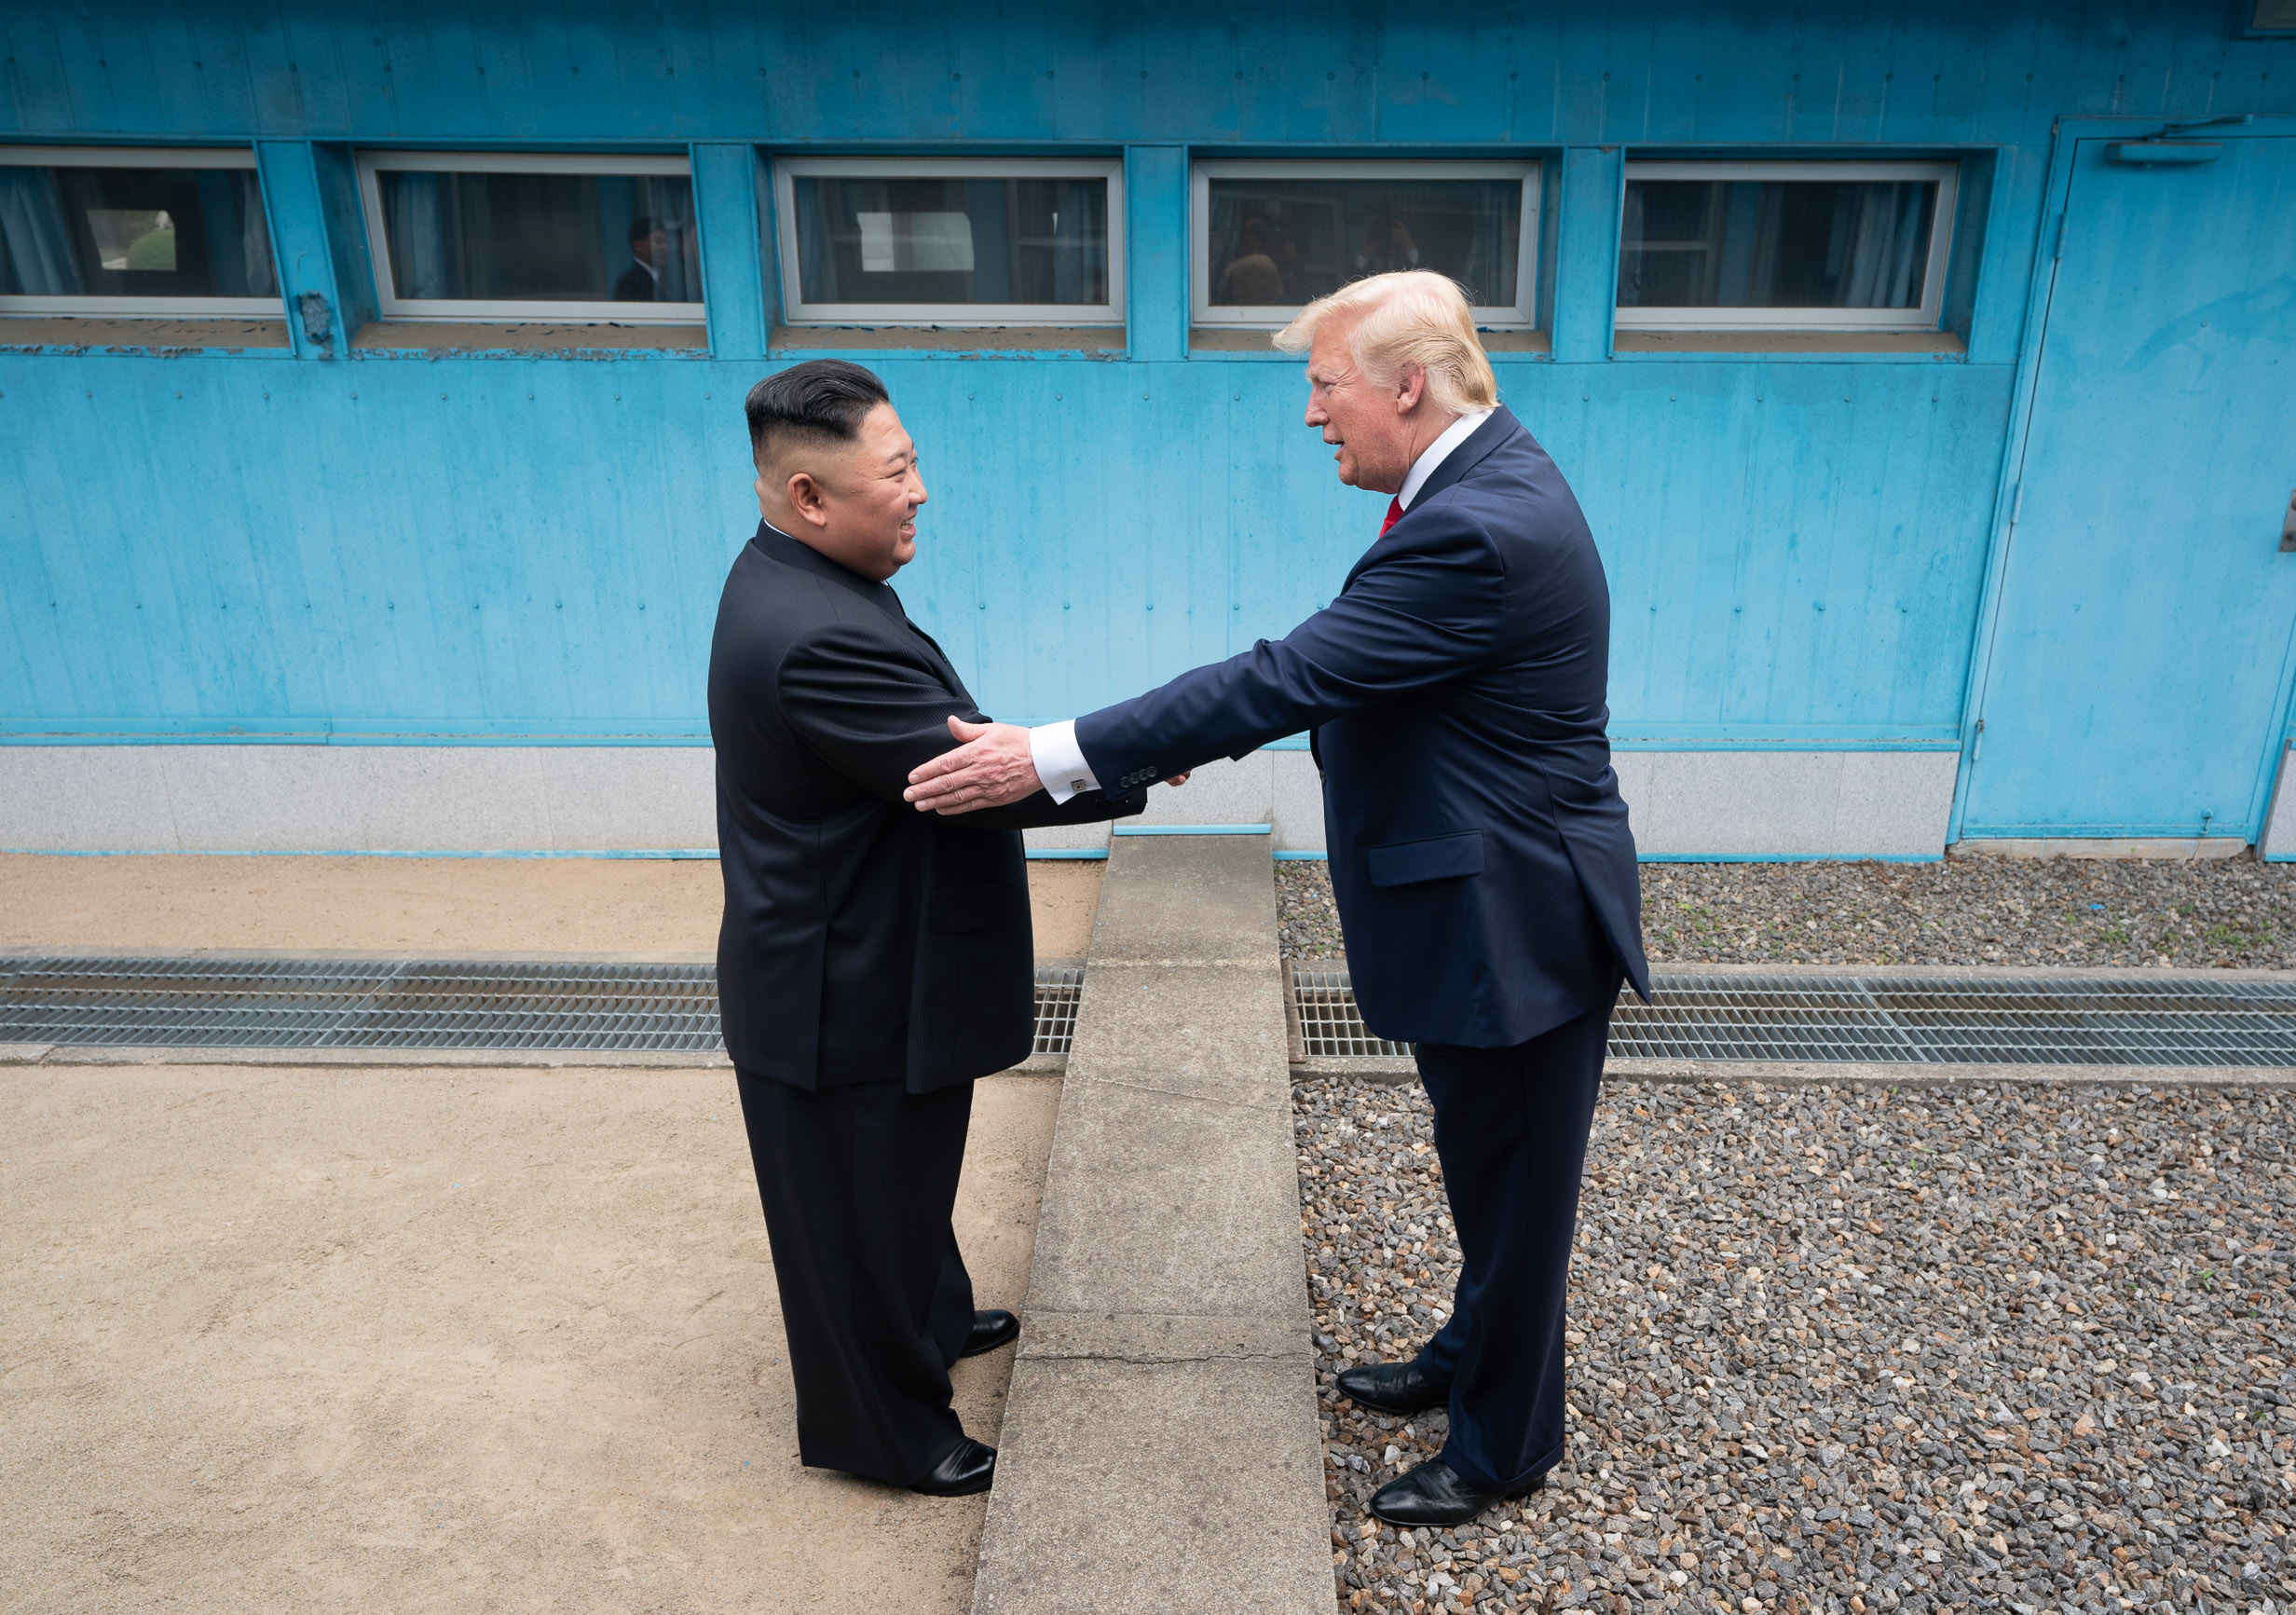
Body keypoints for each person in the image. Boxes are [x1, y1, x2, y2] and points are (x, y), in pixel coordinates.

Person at [900, 270, 1651, 1528]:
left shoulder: (1478, 524)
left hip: (1514, 922)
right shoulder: (1479, 480)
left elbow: (1293, 669)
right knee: (1489, 1171)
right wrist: (1212, 729)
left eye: (1324, 384)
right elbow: (1352, 671)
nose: (1314, 415)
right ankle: (1472, 1354)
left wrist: (1052, 753)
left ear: (1406, 384)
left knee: (1517, 1191)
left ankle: (1506, 1443)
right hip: (1493, 904)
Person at [706, 360, 1148, 1497]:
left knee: (899, 1184)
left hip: (861, 952)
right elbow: (968, 766)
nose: (918, 492)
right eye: (895, 473)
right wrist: (1141, 747)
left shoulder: (802, 580)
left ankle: (933, 1317)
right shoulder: (815, 632)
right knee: (857, 1216)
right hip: (838, 987)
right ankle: (887, 1432)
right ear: (808, 495)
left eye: (914, 464)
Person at [615, 217, 669, 301]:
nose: (664, 247)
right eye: (658, 241)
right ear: (638, 245)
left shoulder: (667, 277)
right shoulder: (630, 283)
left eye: (666, 241)